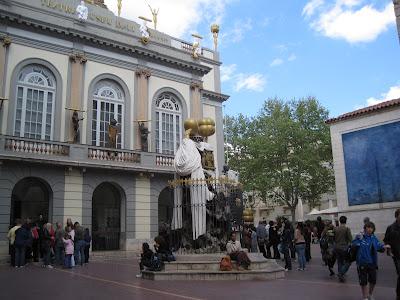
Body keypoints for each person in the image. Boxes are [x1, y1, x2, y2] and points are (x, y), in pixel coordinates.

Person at [352, 222, 386, 300]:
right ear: (365, 228)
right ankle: (365, 297)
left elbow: (378, 245)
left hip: (372, 263)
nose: (370, 229)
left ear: (373, 229)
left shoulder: (373, 237)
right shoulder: (361, 236)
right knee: (363, 282)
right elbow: (353, 244)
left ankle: (370, 294)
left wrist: (384, 246)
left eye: (371, 227)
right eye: (368, 227)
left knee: (373, 281)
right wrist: (358, 239)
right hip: (362, 262)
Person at [384, 208, 400, 300]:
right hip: (397, 254)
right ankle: (398, 294)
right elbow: (386, 240)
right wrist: (389, 250)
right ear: (396, 216)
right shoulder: (391, 227)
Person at [334, 215, 353, 282]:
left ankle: (340, 275)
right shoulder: (347, 229)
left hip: (336, 247)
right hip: (344, 247)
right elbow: (350, 239)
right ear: (346, 221)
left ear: (340, 221)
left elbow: (333, 238)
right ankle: (341, 273)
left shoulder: (335, 228)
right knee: (348, 262)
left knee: (339, 261)